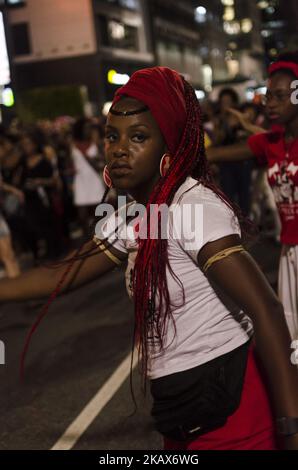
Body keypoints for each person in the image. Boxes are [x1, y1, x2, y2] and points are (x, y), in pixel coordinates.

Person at [0, 67, 298, 450]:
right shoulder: (135, 213)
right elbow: (63, 273)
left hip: (234, 424)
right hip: (179, 419)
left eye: (138, 137)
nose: (119, 149)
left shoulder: (192, 207)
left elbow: (267, 311)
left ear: (169, 147)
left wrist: (290, 429)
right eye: (112, 136)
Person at [207, 51, 298, 342]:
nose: (270, 103)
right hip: (289, 251)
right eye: (268, 96)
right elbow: (217, 154)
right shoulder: (269, 143)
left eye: (280, 96)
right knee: (292, 336)